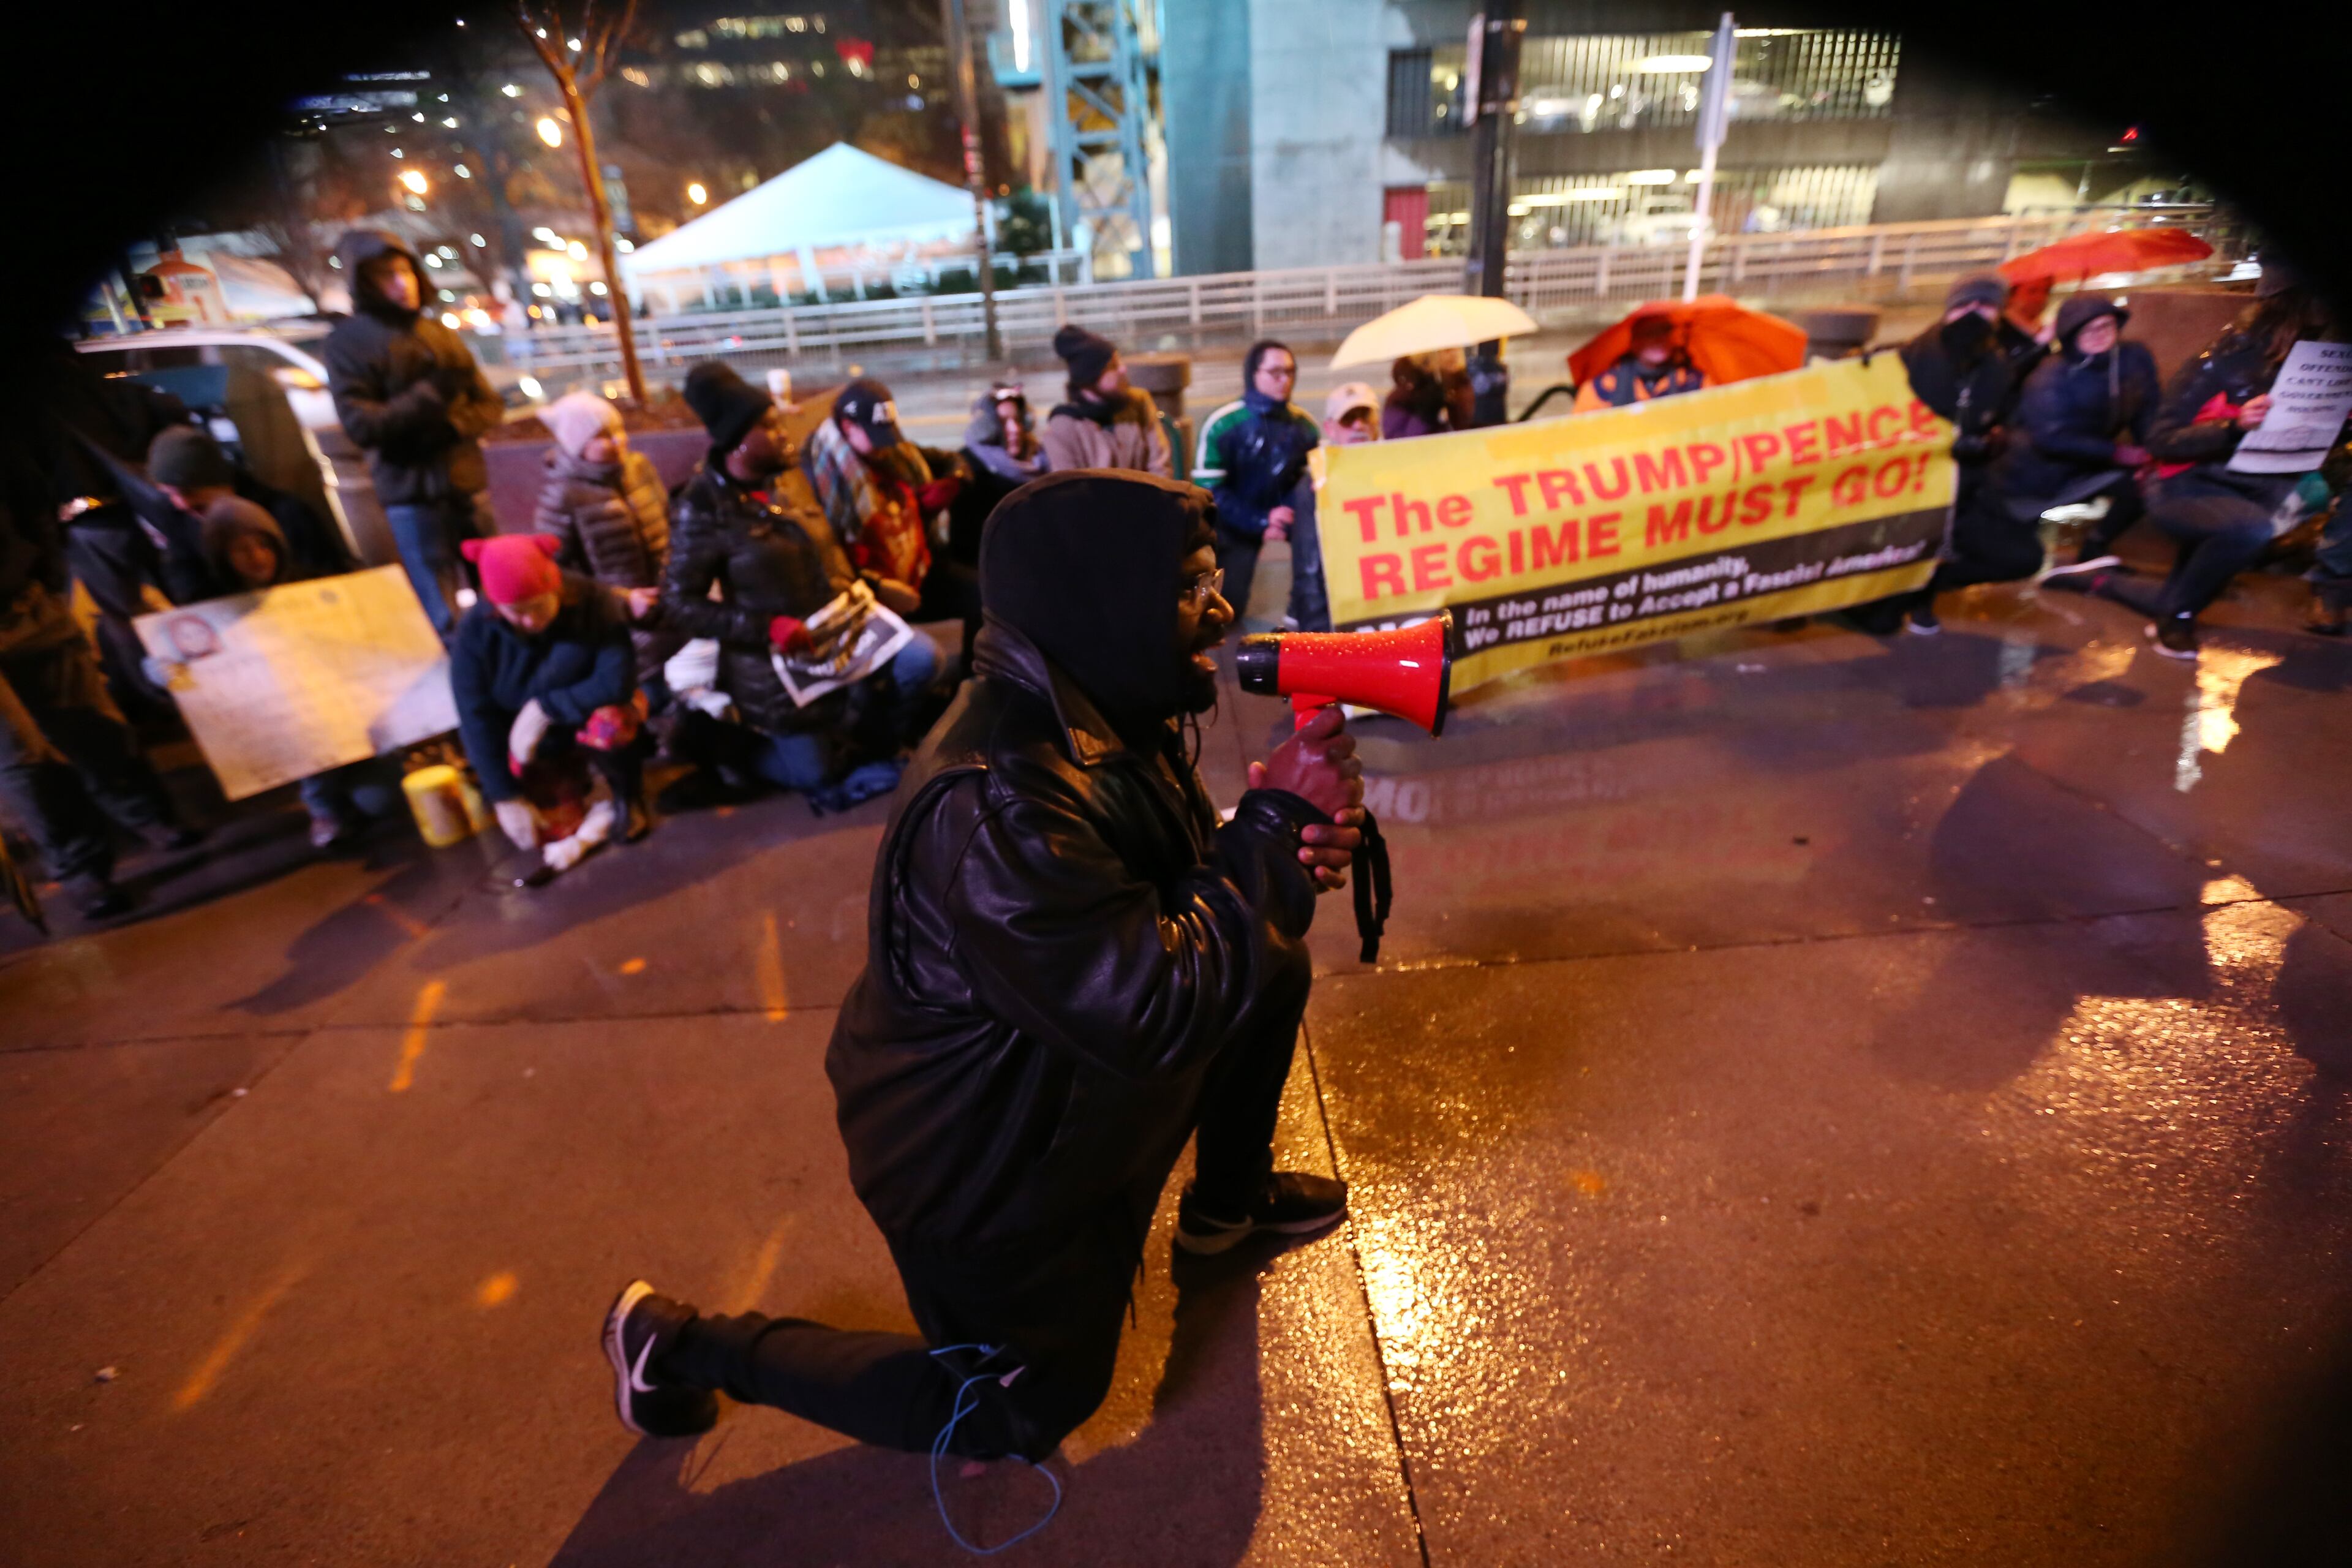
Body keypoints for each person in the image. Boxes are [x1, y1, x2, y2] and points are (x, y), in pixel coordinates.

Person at [600, 472, 1368, 1488]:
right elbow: (1151, 1007)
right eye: (1189, 586)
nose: (1221, 609)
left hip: (1067, 1076)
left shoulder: (1096, 701)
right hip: (984, 1162)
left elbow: (1146, 909)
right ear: (1100, 597)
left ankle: (1226, 1206)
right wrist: (1266, 843)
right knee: (1024, 1411)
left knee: (1267, 960)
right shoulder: (1001, 796)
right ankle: (680, 1343)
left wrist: (1251, 841)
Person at [661, 362, 940, 807]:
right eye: (769, 426)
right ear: (737, 442)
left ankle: (866, 739)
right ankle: (735, 753)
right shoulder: (702, 507)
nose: (783, 432)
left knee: (920, 661)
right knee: (815, 774)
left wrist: (871, 584)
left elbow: (826, 553)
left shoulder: (790, 477)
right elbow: (679, 603)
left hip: (836, 625)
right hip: (775, 661)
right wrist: (766, 627)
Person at [2043, 266, 2341, 658]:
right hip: (2185, 486)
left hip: (2253, 486)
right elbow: (2162, 440)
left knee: (2175, 592)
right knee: (2248, 533)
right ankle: (2175, 621)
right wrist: (2233, 426)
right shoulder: (2223, 358)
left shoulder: (2317, 362)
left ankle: (2097, 582)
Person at [0, 483, 193, 921]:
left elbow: (30, 492)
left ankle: (145, 814)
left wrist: (44, 571)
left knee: (90, 721)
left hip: (23, 601)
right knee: (22, 760)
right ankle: (81, 868)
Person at [323, 229, 505, 640]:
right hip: (411, 496)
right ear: (364, 282)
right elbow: (361, 425)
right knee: (446, 619)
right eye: (386, 275)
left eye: (404, 271)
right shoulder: (348, 345)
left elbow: (490, 404)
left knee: (498, 598)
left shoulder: (439, 334)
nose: (400, 283)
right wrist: (429, 396)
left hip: (466, 487)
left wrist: (453, 426)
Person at [192, 498, 399, 848]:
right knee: (307, 740)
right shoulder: (215, 613)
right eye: (241, 551)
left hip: (348, 710)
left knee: (384, 799)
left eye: (264, 545)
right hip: (290, 725)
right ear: (223, 558)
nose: (257, 557)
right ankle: (325, 809)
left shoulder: (312, 585)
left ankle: (358, 784)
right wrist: (167, 670)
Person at [450, 533, 649, 867]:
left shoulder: (593, 602)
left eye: (538, 607)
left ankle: (627, 794)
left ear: (556, 588)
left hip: (586, 719)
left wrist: (545, 708)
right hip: (529, 745)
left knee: (613, 722)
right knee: (548, 834)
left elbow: (617, 680)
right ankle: (570, 788)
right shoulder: (474, 633)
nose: (530, 621)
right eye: (516, 612)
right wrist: (505, 797)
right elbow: (475, 717)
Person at [1878, 273, 2043, 635]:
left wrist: (1994, 440)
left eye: (1983, 306)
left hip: (1965, 486)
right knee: (1880, 618)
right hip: (1908, 486)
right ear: (1948, 311)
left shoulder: (1997, 365)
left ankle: (1926, 587)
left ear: (1998, 314)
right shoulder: (1911, 357)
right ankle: (1897, 594)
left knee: (2022, 557)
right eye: (1964, 305)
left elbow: (2006, 419)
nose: (1972, 315)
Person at [531, 392, 680, 704]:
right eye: (602, 436)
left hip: (672, 607)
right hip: (621, 626)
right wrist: (623, 602)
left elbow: (670, 524)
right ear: (576, 445)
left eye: (619, 430)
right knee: (657, 700)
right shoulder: (563, 496)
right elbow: (557, 573)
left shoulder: (639, 469)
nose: (618, 441)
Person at [2003, 296, 2160, 579]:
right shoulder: (2050, 375)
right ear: (2071, 334)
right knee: (2017, 559)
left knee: (2145, 484)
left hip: (2090, 459)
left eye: (2107, 326)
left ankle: (2095, 547)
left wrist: (2152, 452)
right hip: (2035, 471)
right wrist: (2118, 453)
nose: (2100, 335)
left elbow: (2146, 408)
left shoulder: (2132, 359)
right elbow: (2050, 436)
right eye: (2089, 329)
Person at [801, 378, 956, 617]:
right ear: (848, 426)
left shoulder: (892, 455)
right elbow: (827, 555)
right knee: (924, 654)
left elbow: (944, 458)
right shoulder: (821, 473)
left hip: (912, 567)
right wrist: (877, 586)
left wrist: (957, 477)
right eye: (875, 436)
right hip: (866, 586)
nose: (886, 446)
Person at [1194, 340, 1321, 625]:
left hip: (1287, 518)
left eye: (1290, 372)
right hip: (1234, 524)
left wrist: (1284, 515)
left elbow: (1311, 482)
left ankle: (1301, 614)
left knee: (1320, 558)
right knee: (1227, 609)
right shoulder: (1222, 424)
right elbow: (1210, 493)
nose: (1285, 380)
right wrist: (1262, 520)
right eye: (1275, 372)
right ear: (1254, 374)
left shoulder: (1305, 426)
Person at [148, 424, 351, 581]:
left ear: (221, 482)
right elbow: (186, 585)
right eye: (170, 495)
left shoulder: (287, 514)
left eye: (188, 492)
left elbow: (327, 579)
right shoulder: (182, 523)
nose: (181, 504)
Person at [941, 381, 1042, 665]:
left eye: (1018, 419)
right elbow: (968, 542)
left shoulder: (1040, 459)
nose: (1014, 429)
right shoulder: (970, 466)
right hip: (985, 565)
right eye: (1003, 422)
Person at [1040, 326, 1173, 475]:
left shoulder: (1138, 403)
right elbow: (1070, 490)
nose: (1123, 370)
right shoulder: (1063, 428)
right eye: (1113, 366)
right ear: (1090, 378)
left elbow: (1160, 467)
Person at [1572, 312, 1711, 412]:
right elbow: (1581, 438)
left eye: (1664, 332)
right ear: (1633, 343)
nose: (1658, 340)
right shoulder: (1601, 388)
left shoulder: (1696, 383)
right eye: (1649, 334)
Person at [1382, 350, 1472, 440]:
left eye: (1457, 349)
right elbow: (1400, 442)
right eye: (1447, 350)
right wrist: (1427, 412)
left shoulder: (1467, 386)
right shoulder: (1402, 398)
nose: (1454, 354)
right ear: (1428, 355)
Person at [1323, 383, 1382, 448]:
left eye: (1365, 416)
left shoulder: (1392, 455)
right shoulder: (1319, 457)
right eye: (1348, 419)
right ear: (1329, 429)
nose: (1358, 426)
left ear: (1377, 421)